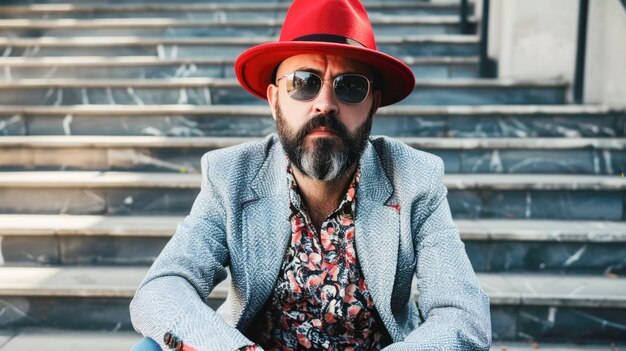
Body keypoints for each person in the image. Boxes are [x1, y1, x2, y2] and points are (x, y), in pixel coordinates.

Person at [129, 0, 491, 350]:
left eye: (350, 86)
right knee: (149, 348)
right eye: (303, 82)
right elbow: (162, 288)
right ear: (274, 100)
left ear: (373, 104)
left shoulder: (414, 179)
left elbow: (463, 316)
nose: (326, 103)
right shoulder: (230, 176)